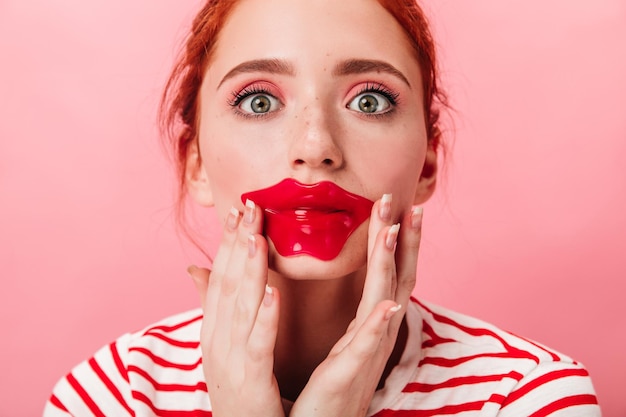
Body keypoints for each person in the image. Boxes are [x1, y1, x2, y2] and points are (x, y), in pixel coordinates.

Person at [44, 0, 601, 415]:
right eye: (258, 101)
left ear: (428, 163)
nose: (315, 147)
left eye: (370, 100)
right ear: (197, 165)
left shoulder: (527, 395)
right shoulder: (114, 394)